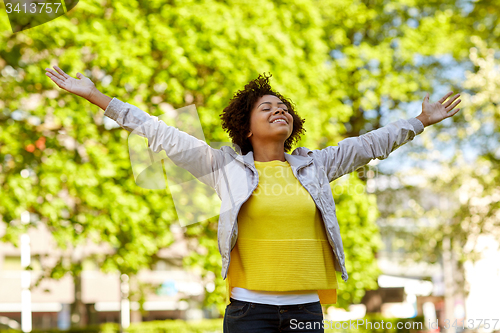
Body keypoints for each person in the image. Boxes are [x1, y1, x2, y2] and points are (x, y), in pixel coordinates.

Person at [45, 66, 461, 332]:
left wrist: (420, 121)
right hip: (249, 315)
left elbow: (371, 144)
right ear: (246, 127)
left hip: (306, 314)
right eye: (268, 107)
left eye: (284, 108)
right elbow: (160, 133)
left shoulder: (317, 165)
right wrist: (97, 97)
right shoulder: (223, 168)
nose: (280, 110)